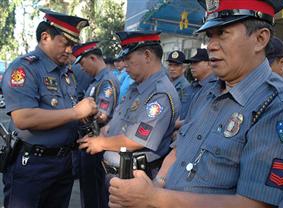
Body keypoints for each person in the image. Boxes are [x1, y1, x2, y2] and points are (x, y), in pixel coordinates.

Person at [108, 0, 283, 207]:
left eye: (223, 33)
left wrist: (154, 198)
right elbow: (178, 149)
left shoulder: (281, 104)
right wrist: (156, 186)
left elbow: (254, 203)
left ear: (260, 39)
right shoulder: (208, 90)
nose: (211, 46)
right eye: (210, 36)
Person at [1, 8, 98, 208]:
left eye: (73, 44)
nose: (70, 50)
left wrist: (85, 116)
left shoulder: (66, 73)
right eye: (66, 43)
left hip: (64, 164)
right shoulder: (25, 68)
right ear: (45, 37)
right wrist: (76, 112)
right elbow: (23, 118)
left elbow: (66, 111)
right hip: (33, 167)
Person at [78, 31, 181, 207]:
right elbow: (118, 119)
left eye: (128, 59)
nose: (124, 65)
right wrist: (106, 129)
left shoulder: (160, 94)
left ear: (147, 55)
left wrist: (101, 143)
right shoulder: (136, 87)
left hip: (134, 178)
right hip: (114, 175)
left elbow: (136, 140)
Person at [72, 41, 120, 208]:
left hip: (97, 145)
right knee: (88, 192)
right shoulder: (96, 81)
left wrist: (80, 113)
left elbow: (103, 115)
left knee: (95, 195)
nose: (82, 68)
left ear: (92, 58)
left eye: (83, 63)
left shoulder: (107, 81)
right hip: (89, 143)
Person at [167, 50, 191, 120]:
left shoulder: (185, 88)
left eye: (176, 65)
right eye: (170, 65)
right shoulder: (167, 83)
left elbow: (182, 115)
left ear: (184, 68)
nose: (172, 69)